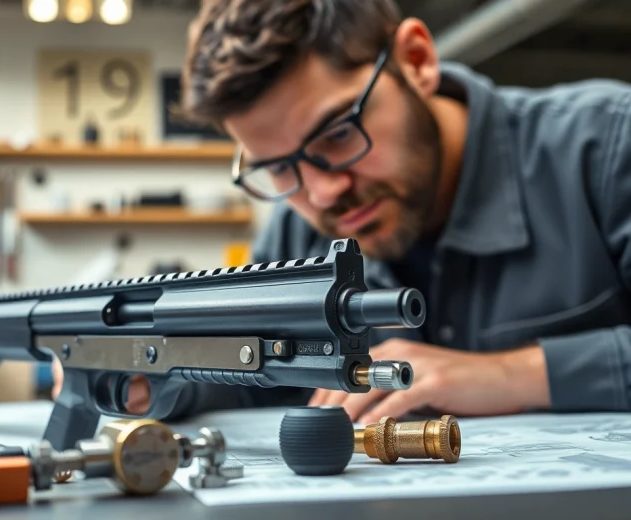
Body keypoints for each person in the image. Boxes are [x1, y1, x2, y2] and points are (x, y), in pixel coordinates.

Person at [53, 0, 631, 424]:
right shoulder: (293, 230)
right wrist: (158, 380)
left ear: (417, 59)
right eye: (279, 168)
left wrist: (515, 374)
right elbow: (255, 380)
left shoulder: (607, 147)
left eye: (336, 133)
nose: (322, 194)